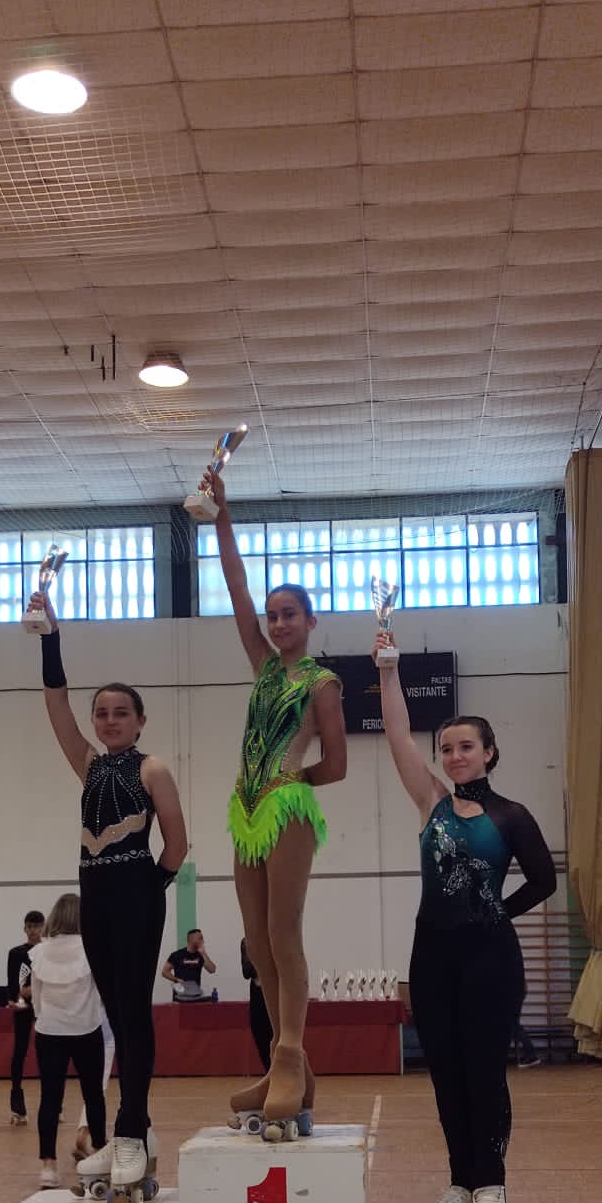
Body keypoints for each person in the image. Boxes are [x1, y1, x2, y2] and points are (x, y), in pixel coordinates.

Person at [375, 623, 557, 1203]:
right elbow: (397, 735)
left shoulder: (511, 817)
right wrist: (389, 671)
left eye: (465, 748)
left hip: (489, 962)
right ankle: (460, 1181)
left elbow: (544, 880)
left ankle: (491, 1186)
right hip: (432, 958)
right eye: (447, 749)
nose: (454, 757)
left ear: (489, 754)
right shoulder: (432, 804)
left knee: (484, 1075)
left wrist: (498, 912)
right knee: (446, 1077)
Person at [25, 589, 188, 1203]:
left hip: (136, 899)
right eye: (102, 713)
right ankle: (134, 1132)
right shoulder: (90, 767)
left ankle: (130, 1132)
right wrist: (51, 638)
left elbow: (178, 844)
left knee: (134, 1013)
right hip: (93, 902)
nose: (110, 720)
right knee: (116, 1016)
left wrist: (149, 889)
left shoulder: (152, 769)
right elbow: (55, 703)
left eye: (122, 713)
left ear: (140, 721)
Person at [206, 462, 347, 1138]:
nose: (279, 622)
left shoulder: (321, 683)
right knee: (255, 941)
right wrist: (222, 516)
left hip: (287, 808)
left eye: (290, 614)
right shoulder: (263, 667)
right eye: (274, 614)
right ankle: (283, 1059)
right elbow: (235, 586)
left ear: (311, 621)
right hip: (245, 813)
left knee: (284, 932)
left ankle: (290, 1054)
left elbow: (337, 765)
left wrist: (291, 785)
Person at [22, 892, 110, 1194]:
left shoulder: (39, 952)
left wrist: (47, 1020)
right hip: (87, 1029)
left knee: (50, 1098)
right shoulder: (92, 948)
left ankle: (48, 1166)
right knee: (94, 1095)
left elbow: (36, 997)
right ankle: (99, 1153)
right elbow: (102, 991)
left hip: (49, 1031)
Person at [6, 908, 45, 1122]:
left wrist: (34, 990)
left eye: (36, 927)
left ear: (43, 928)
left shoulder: (48, 951)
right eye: (29, 927)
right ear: (24, 928)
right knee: (20, 1051)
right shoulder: (17, 953)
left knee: (47, 1053)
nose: (33, 930)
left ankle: (53, 1104)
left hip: (46, 1007)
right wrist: (15, 998)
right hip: (24, 1008)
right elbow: (13, 983)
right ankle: (17, 1105)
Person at [241, 937, 273, 1072]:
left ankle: (280, 1071)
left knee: (275, 1033)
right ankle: (269, 1071)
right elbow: (246, 972)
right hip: (257, 991)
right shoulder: (246, 942)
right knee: (259, 1032)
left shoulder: (274, 938)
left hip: (274, 990)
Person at [163, 928, 216, 1002]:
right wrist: (176, 979)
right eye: (200, 938)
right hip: (180, 995)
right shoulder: (177, 955)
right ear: (191, 939)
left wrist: (203, 954)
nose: (203, 941)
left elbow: (212, 970)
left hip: (195, 995)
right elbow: (165, 972)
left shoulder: (200, 955)